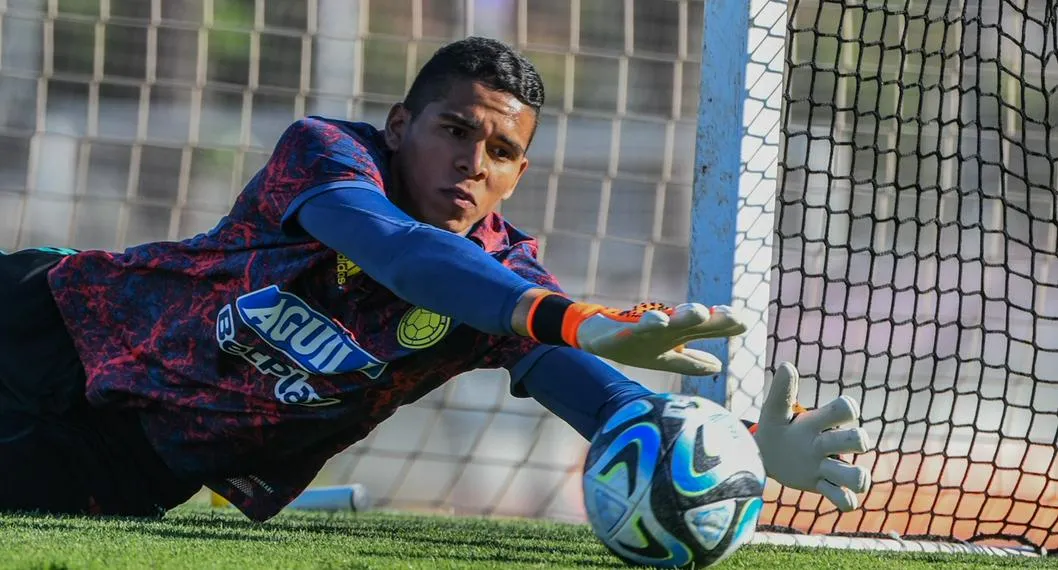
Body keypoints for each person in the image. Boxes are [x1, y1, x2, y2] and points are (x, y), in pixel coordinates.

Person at [0, 37, 871, 521]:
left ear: (518, 175)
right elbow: (404, 255)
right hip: (44, 324)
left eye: (501, 152)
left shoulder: (505, 289)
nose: (472, 163)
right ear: (400, 122)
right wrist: (568, 318)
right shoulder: (329, 157)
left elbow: (619, 414)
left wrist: (744, 457)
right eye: (454, 130)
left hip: (121, 464)